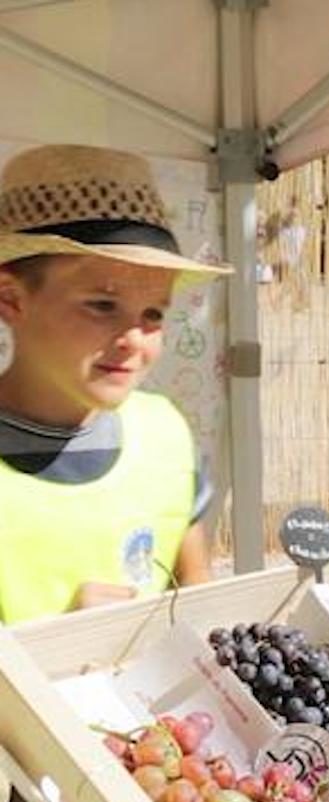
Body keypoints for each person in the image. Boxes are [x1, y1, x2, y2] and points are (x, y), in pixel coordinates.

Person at [0, 144, 230, 624]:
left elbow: (197, 595)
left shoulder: (165, 433)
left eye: (153, 314)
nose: (133, 340)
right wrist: (54, 650)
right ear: (11, 299)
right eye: (102, 306)